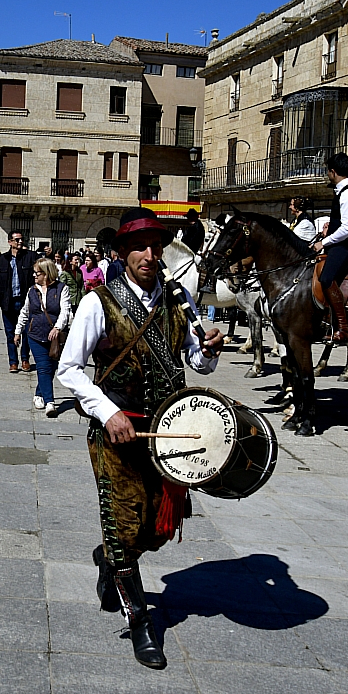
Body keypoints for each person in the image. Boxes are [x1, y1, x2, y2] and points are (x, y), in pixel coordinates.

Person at [55, 207, 222, 670]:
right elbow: (70, 369)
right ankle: (141, 620)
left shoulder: (177, 300)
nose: (149, 254)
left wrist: (209, 351)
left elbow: (195, 360)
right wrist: (107, 412)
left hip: (165, 435)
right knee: (124, 525)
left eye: (155, 246)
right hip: (117, 433)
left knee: (154, 529)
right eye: (139, 247)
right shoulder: (98, 302)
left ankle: (110, 560)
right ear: (122, 253)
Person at [311, 152, 348, 344]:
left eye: (328, 171)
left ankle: (343, 327)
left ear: (333, 172)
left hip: (347, 245)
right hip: (342, 243)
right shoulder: (345, 192)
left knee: (327, 278)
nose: (328, 175)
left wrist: (324, 242)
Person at [15, 258, 71, 418]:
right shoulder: (32, 291)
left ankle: (39, 394)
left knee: (51, 368)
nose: (34, 275)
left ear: (46, 274)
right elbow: (25, 312)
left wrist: (57, 327)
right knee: (43, 367)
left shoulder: (62, 289)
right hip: (35, 335)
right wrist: (18, 331)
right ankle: (50, 402)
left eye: (37, 273)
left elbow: (65, 310)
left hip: (54, 337)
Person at [0, 231, 38, 373]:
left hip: (25, 302)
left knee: (26, 332)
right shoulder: (2, 259)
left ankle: (25, 359)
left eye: (21, 239)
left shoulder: (30, 257)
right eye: (17, 240)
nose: (20, 242)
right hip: (8, 302)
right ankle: (13, 362)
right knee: (10, 333)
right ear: (10, 242)